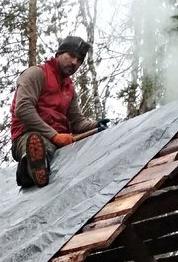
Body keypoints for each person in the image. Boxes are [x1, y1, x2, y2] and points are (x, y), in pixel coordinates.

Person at [10, 36, 108, 188]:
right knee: (40, 145)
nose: (75, 62)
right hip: (28, 136)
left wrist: (95, 125)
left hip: (61, 139)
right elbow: (23, 108)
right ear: (58, 54)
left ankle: (37, 166)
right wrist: (54, 136)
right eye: (71, 56)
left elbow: (77, 122)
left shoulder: (69, 88)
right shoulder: (36, 74)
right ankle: (29, 170)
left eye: (80, 60)